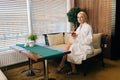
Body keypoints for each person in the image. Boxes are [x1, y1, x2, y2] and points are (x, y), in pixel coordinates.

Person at [56, 11, 94, 75]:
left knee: (70, 49)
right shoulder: (79, 27)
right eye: (78, 17)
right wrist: (73, 36)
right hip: (79, 44)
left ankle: (65, 66)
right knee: (69, 48)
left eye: (81, 17)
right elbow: (76, 38)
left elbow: (89, 40)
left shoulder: (88, 27)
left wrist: (77, 37)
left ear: (85, 18)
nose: (79, 19)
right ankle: (69, 67)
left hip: (86, 46)